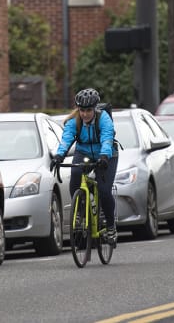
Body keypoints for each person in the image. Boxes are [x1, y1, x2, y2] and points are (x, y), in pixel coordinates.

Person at [50, 88, 119, 246]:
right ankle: (80, 212)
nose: (85, 114)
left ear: (94, 109)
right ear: (78, 109)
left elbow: (107, 139)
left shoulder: (104, 119)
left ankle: (110, 227)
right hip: (84, 152)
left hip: (107, 154)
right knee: (75, 175)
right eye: (82, 110)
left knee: (104, 191)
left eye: (88, 110)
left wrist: (104, 157)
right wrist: (59, 156)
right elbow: (66, 139)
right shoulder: (75, 121)